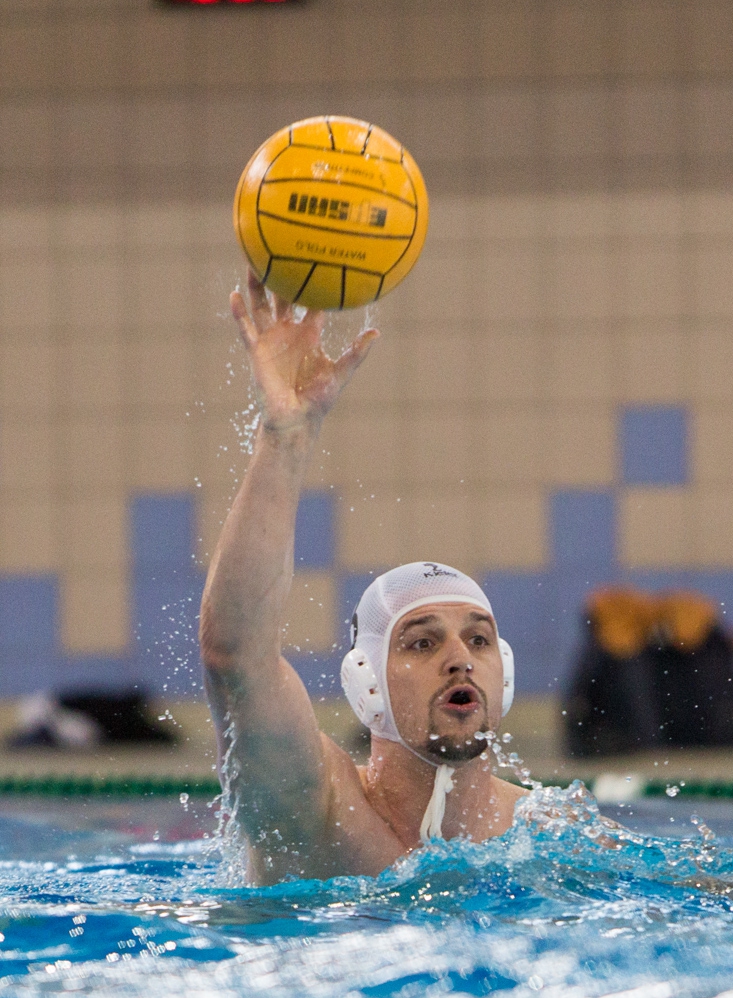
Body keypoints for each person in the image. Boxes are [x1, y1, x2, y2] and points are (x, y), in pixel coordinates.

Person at [200, 276, 528, 883]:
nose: (460, 659)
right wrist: (286, 437)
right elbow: (234, 655)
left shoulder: (548, 828)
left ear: (503, 674)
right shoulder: (316, 815)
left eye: (479, 639)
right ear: (366, 683)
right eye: (422, 642)